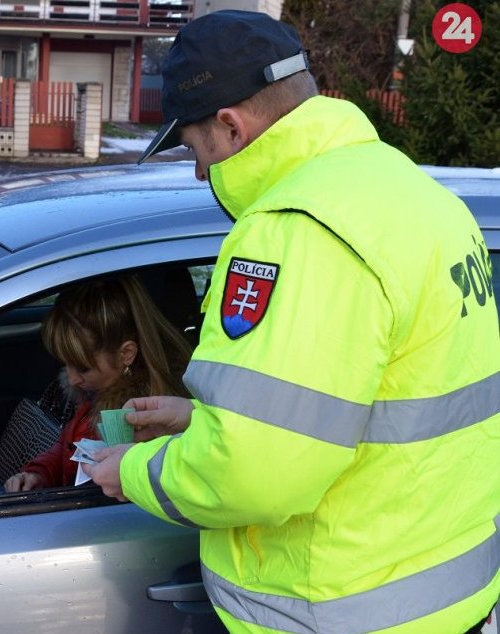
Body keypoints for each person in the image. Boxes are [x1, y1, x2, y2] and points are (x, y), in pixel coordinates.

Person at [83, 10, 500, 634]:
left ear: (230, 126)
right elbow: (385, 405)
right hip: (449, 599)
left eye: (197, 150)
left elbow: (253, 473)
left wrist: (132, 472)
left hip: (337, 608)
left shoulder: (298, 231)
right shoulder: (418, 196)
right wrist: (203, 421)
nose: (200, 173)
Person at [4, 276, 191, 492]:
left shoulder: (143, 423)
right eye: (66, 364)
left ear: (126, 354)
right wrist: (39, 474)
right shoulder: (94, 393)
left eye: (83, 368)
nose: (72, 378)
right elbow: (68, 447)